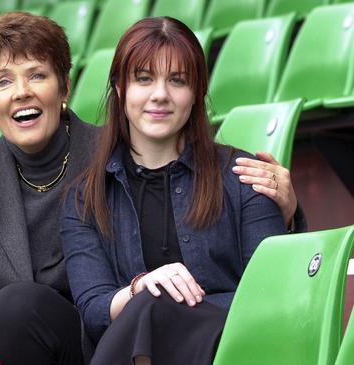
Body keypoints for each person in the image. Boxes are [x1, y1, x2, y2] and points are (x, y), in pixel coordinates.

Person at [0, 12, 302, 365]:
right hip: (30, 339)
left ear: (65, 88)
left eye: (37, 75)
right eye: (4, 82)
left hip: (130, 339)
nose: (22, 91)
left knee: (53, 307)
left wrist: (287, 210)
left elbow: (269, 289)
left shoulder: (123, 152)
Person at [61, 17, 288, 365]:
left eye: (177, 81)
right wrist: (143, 288)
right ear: (120, 88)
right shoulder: (84, 199)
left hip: (228, 340)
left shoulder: (242, 175)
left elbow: (269, 293)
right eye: (144, 79)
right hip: (136, 345)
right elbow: (94, 311)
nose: (160, 95)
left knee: (155, 305)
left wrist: (164, 303)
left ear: (196, 92)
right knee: (149, 302)